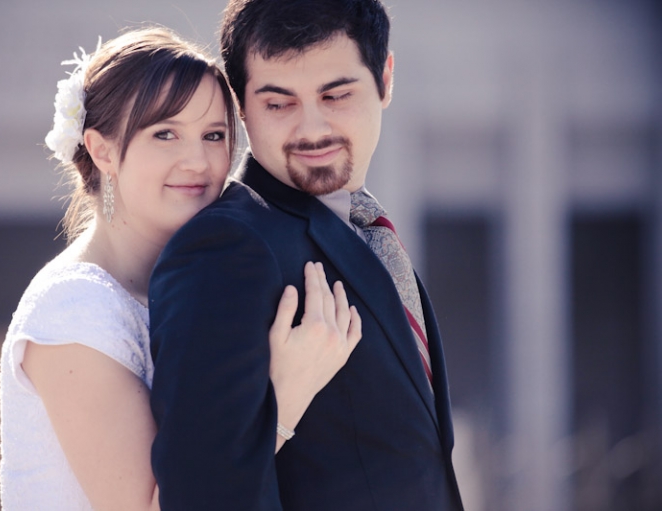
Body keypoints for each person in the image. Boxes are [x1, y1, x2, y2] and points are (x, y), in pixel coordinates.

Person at [0, 27, 361, 510]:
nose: (198, 161)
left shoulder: (195, 287)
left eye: (214, 136)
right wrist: (284, 397)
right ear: (102, 150)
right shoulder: (73, 309)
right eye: (165, 134)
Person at [148, 0, 464, 509]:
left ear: (385, 78)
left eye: (336, 95)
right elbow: (200, 494)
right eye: (279, 104)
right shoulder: (225, 248)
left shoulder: (362, 227)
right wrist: (281, 407)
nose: (312, 129)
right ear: (240, 105)